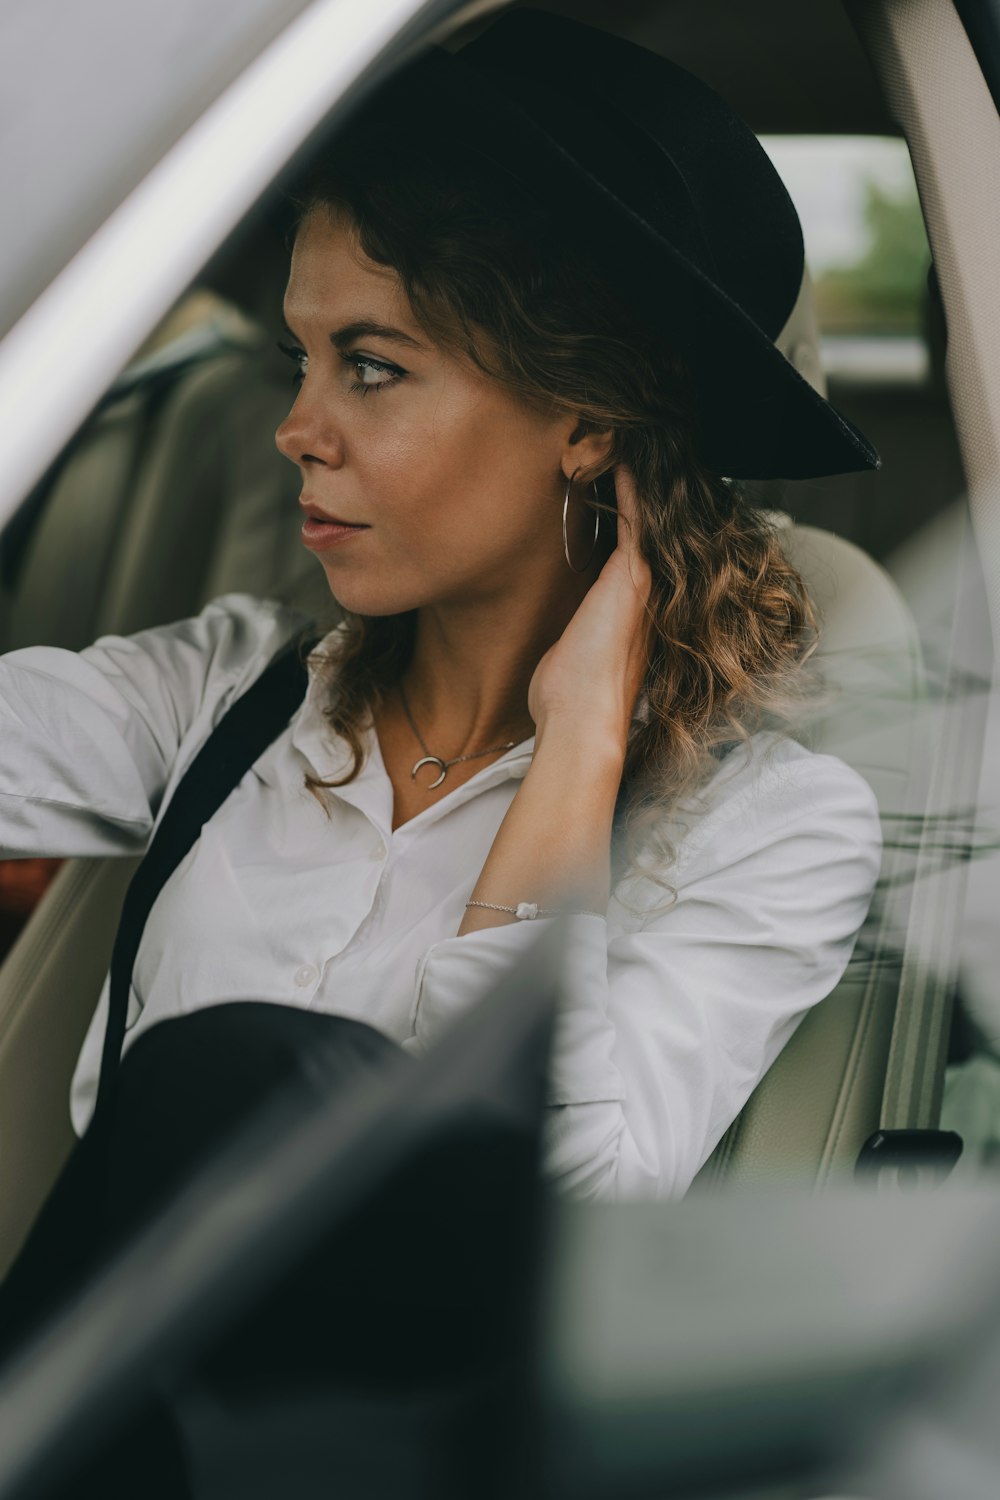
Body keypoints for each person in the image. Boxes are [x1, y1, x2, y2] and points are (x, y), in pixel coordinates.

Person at [0, 7, 883, 1488]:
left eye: (372, 366)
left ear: (588, 419)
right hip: (83, 1409)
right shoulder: (230, 690)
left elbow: (555, 1188)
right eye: (299, 357)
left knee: (234, 1075)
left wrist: (579, 755)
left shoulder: (773, 825)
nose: (294, 427)